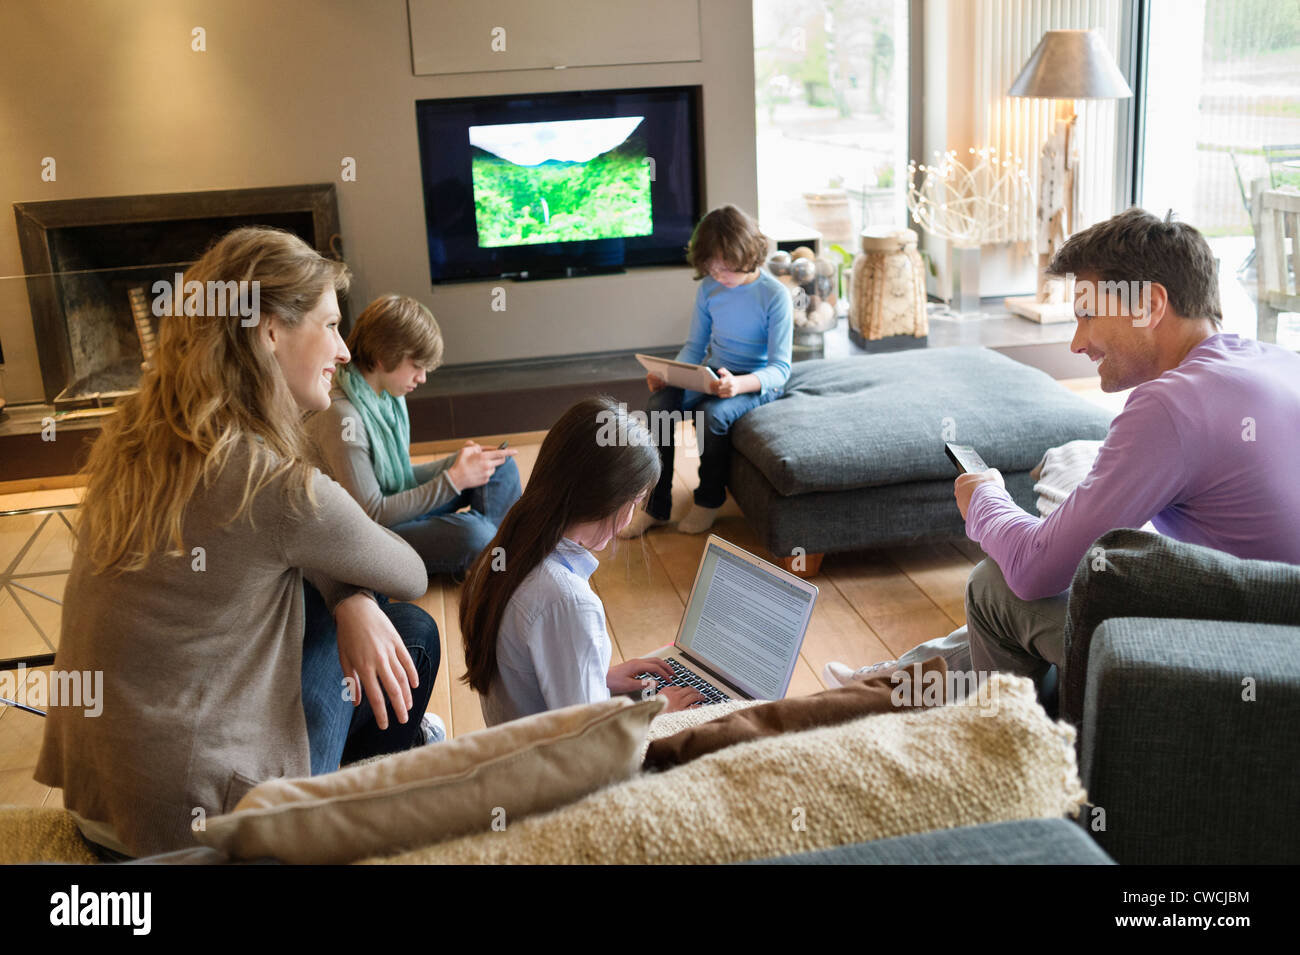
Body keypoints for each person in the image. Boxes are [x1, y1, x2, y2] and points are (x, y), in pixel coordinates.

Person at [35, 228, 442, 859]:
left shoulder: (133, 441)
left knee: (330, 604)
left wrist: (343, 596)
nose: (341, 348)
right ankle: (352, 828)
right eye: (330, 325)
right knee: (411, 627)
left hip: (98, 798)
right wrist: (357, 597)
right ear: (270, 332)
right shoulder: (277, 485)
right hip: (194, 829)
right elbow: (408, 570)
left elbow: (299, 542)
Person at [825, 207, 1300, 691]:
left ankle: (1000, 742)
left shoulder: (1171, 405)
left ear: (1150, 305)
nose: (1077, 343)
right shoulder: (1279, 361)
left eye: (1088, 315)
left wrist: (985, 499)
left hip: (1236, 660)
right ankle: (893, 685)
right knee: (1088, 565)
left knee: (998, 586)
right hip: (1274, 634)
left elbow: (1035, 573)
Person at [460, 396, 705, 726]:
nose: (631, 515)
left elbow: (536, 678)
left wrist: (598, 677)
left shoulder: (503, 552)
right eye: (634, 501)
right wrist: (659, 714)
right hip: (561, 771)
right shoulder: (567, 601)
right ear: (605, 499)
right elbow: (591, 747)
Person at [305, 294, 520, 577]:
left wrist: (463, 465)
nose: (422, 378)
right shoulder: (343, 417)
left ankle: (497, 560)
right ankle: (497, 559)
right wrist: (454, 479)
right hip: (364, 536)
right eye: (417, 366)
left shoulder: (384, 394)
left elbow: (399, 478)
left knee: (498, 466)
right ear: (384, 357)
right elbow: (371, 514)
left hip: (386, 512)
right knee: (475, 534)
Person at [620, 204, 793, 538]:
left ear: (747, 253)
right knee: (659, 407)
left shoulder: (774, 296)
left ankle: (708, 500)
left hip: (756, 380)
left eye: (724, 268)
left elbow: (780, 368)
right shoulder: (709, 289)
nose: (717, 275)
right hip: (716, 371)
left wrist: (740, 384)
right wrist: (670, 375)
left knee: (713, 416)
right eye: (711, 268)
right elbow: (695, 347)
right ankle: (656, 506)